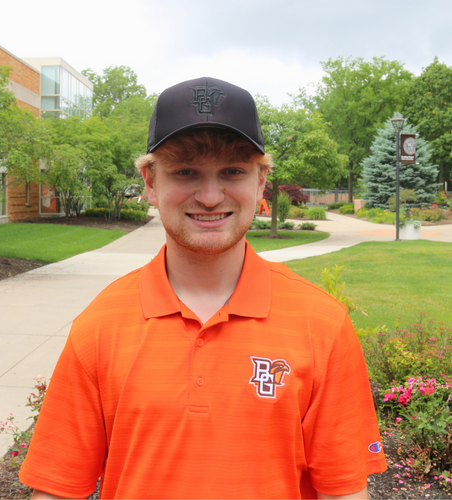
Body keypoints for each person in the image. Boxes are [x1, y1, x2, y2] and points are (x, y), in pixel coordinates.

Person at [20, 77, 387, 499]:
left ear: (261, 180)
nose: (210, 196)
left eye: (232, 171)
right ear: (150, 182)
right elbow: (57, 489)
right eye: (186, 172)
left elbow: (343, 492)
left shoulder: (322, 325)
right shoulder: (100, 326)